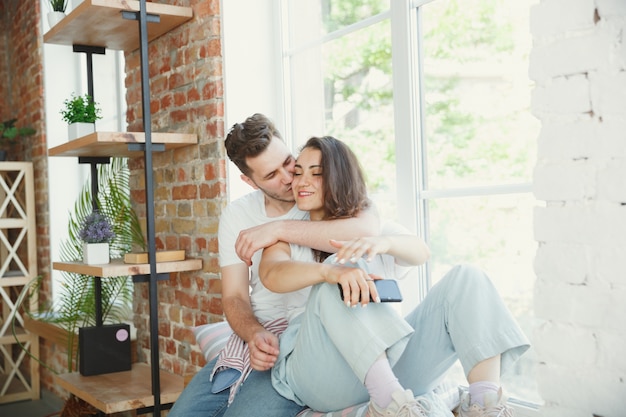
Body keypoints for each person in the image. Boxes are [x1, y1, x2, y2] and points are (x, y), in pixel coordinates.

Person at [258, 136, 531, 417]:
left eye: (316, 174)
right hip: (321, 375)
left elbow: (421, 252)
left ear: (340, 179)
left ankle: (485, 405)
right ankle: (392, 409)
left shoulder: (371, 227)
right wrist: (329, 272)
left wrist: (385, 243)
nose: (302, 182)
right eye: (298, 172)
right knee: (342, 274)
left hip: (386, 370)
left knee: (468, 277)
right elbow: (272, 273)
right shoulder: (288, 234)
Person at [168, 114, 379, 417]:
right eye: (271, 175)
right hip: (260, 334)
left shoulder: (326, 197)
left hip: (306, 338)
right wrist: (253, 334)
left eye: (288, 162)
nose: (289, 178)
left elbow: (367, 229)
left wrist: (278, 229)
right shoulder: (237, 215)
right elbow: (234, 296)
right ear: (249, 181)